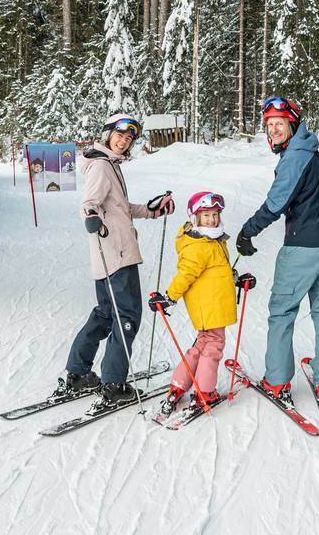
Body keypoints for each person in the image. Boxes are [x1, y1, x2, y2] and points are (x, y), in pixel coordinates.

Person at [236, 96, 319, 410]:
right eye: (269, 125)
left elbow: (276, 202)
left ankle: (278, 379)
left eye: (279, 124)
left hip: (304, 245)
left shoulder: (295, 156)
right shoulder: (308, 148)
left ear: (293, 124)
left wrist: (248, 230)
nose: (274, 130)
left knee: (282, 311)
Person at [60, 113, 175, 404]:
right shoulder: (101, 165)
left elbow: (120, 208)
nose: (124, 141)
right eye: (120, 135)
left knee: (105, 314)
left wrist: (151, 210)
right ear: (108, 133)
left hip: (109, 256)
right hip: (117, 254)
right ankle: (113, 384)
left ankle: (78, 372)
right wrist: (91, 217)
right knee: (127, 317)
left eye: (129, 138)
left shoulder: (108, 163)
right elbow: (90, 204)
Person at [148, 191, 256, 415]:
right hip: (211, 307)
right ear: (195, 218)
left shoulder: (213, 239)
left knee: (201, 344)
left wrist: (235, 278)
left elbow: (218, 268)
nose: (212, 219)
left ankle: (179, 385)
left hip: (211, 304)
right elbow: (185, 275)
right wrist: (169, 297)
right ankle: (205, 392)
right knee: (214, 346)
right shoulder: (199, 245)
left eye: (215, 214)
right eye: (206, 215)